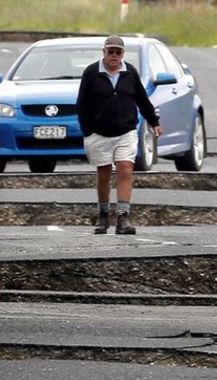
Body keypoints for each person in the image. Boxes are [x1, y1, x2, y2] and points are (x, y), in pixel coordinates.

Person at [76, 35, 162, 235]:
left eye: (118, 52)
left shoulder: (129, 72)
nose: (114, 56)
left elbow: (142, 99)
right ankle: (104, 215)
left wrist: (154, 122)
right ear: (103, 52)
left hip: (126, 131)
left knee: (125, 169)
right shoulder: (91, 73)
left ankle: (123, 217)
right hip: (98, 133)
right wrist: (87, 131)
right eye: (110, 52)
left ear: (123, 54)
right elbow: (82, 105)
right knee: (104, 174)